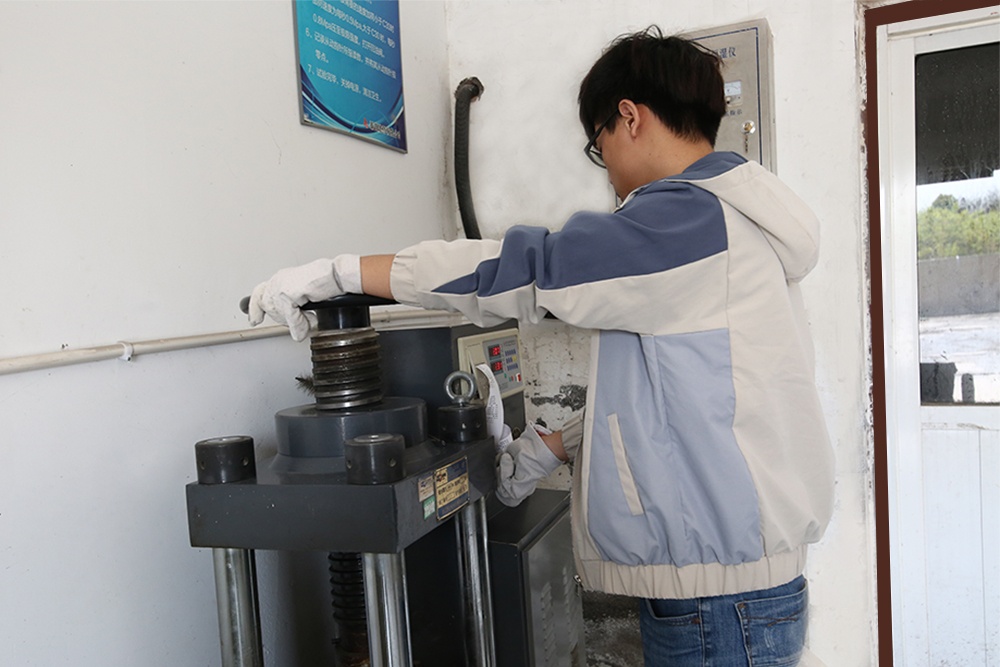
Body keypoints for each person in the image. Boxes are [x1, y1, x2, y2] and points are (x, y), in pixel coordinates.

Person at [249, 27, 835, 667]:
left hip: (719, 609)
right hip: (732, 597)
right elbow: (689, 401)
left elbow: (524, 269)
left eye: (599, 146)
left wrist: (343, 273)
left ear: (629, 117)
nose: (609, 175)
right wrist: (544, 448)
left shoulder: (685, 222)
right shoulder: (731, 224)